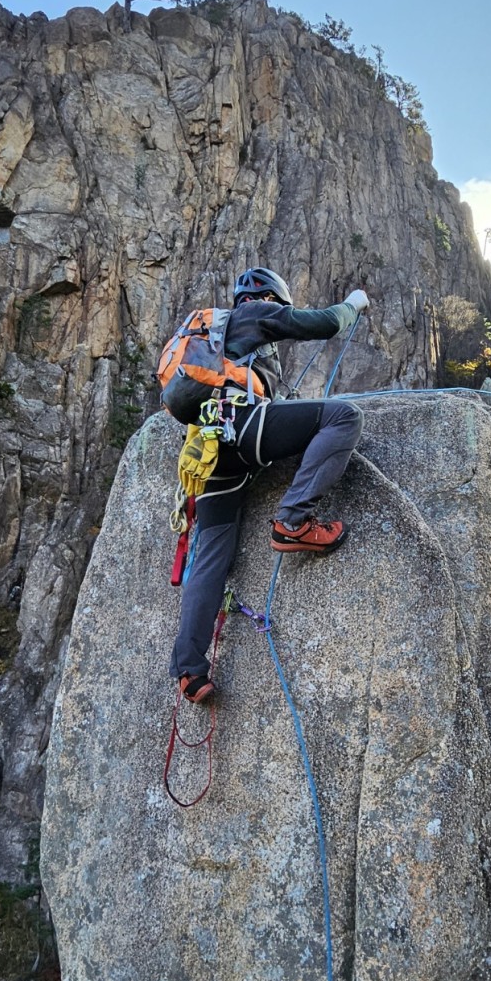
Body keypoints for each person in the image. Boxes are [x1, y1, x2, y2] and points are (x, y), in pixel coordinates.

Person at [169, 266, 368, 704]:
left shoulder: (218, 343)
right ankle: (293, 521)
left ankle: (190, 670)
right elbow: (328, 322)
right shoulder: (255, 313)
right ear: (271, 297)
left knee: (212, 554)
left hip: (209, 450)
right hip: (244, 430)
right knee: (344, 416)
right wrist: (355, 302)